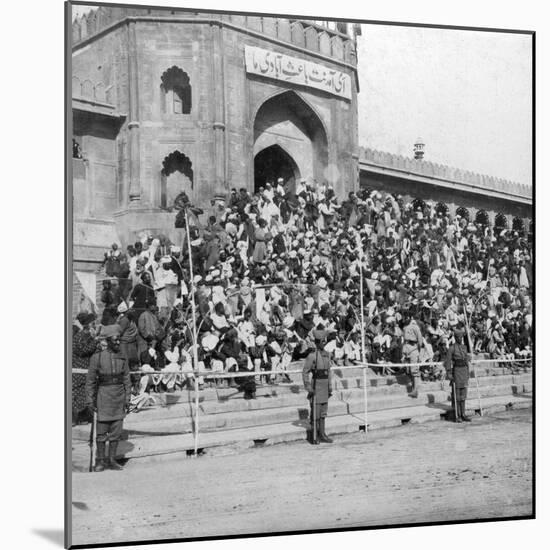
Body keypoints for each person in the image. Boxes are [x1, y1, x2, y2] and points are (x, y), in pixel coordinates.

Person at [85, 325, 131, 472]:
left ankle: (112, 460)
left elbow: (126, 379)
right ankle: (100, 461)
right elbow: (90, 381)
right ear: (108, 341)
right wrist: (90, 400)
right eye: (115, 340)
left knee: (116, 432)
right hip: (103, 397)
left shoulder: (122, 357)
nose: (118, 343)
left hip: (118, 398)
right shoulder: (97, 358)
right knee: (101, 432)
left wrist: (128, 398)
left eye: (119, 340)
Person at [302, 329, 334, 445]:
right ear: (317, 342)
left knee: (323, 413)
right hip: (316, 385)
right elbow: (305, 372)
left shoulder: (327, 355)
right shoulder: (312, 356)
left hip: (325, 386)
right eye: (321, 342)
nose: (323, 344)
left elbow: (329, 372)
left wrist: (330, 387)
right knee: (315, 412)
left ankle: (323, 434)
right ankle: (314, 436)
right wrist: (308, 387)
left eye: (324, 341)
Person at [444, 328, 471, 423]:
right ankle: (458, 414)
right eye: (459, 337)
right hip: (457, 371)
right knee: (457, 395)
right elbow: (448, 362)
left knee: (464, 394)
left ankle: (463, 414)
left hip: (464, 371)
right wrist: (449, 373)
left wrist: (468, 371)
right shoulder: (452, 348)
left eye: (461, 337)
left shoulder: (464, 347)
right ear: (455, 338)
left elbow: (466, 360)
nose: (460, 339)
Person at [402, 311, 423, 398]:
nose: (406, 318)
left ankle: (415, 390)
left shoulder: (415, 327)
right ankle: (412, 389)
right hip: (407, 349)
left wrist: (417, 350)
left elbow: (420, 341)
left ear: (411, 318)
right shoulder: (405, 328)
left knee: (414, 370)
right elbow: (404, 340)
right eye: (405, 317)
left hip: (413, 348)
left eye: (407, 317)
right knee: (408, 371)